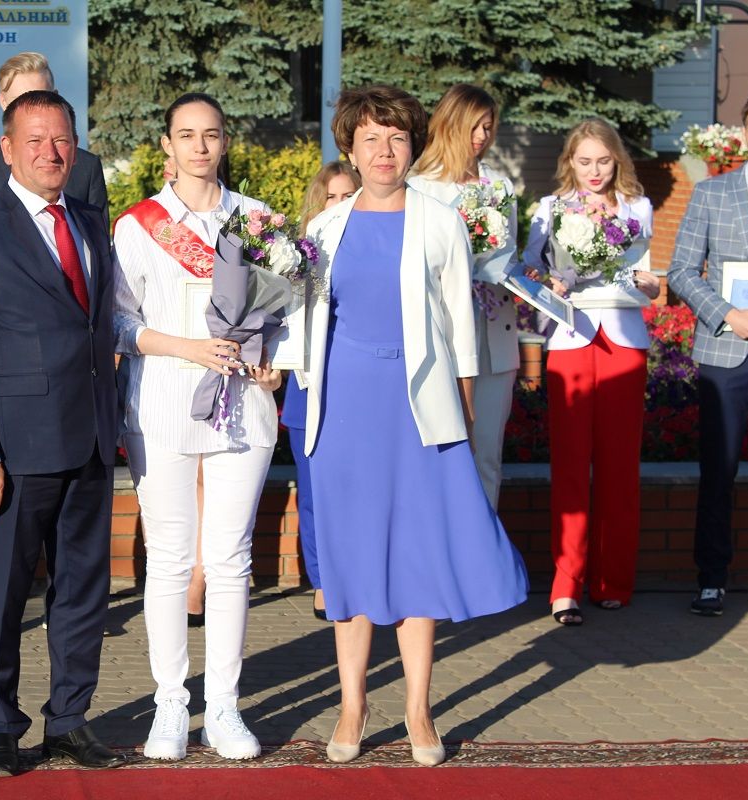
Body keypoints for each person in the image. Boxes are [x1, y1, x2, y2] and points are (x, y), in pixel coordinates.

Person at [302, 85, 528, 766]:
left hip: (419, 407)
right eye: (369, 139)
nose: (383, 151)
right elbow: (306, 321)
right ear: (349, 146)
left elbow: (462, 325)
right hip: (344, 407)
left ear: (413, 147)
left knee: (418, 555)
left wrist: (462, 406)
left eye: (396, 138)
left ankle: (418, 709)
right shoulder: (324, 228)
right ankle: (351, 706)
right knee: (351, 553)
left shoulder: (439, 221)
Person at [0, 90, 121, 777]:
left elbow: (96, 326)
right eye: (36, 140)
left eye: (63, 140)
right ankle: (0, 727)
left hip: (91, 441)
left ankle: (70, 721)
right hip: (12, 453)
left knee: (82, 593)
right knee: (4, 593)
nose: (52, 152)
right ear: (8, 149)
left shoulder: (91, 222)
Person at [114, 93, 281, 762]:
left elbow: (286, 310)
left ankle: (225, 709)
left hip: (244, 403)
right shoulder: (138, 226)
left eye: (211, 135)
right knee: (170, 560)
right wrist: (186, 348)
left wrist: (277, 363)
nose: (200, 147)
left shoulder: (261, 222)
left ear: (225, 141)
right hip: (162, 402)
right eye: (186, 135)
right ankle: (169, 706)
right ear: (167, 145)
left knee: (231, 559)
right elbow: (119, 324)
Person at [522, 118, 661, 625]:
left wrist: (650, 286)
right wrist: (548, 285)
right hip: (571, 342)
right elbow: (528, 272)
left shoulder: (639, 208)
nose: (595, 170)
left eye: (603, 160)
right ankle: (566, 586)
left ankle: (613, 581)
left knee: (620, 469)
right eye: (585, 161)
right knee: (570, 465)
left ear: (617, 159)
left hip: (624, 344)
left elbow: (650, 279)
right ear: (570, 162)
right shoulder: (550, 209)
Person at [410, 84, 520, 509]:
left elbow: (506, 252)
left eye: (488, 127)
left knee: (488, 453)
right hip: (441, 331)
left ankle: (482, 560)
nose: (481, 136)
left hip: (492, 330)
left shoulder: (499, 185)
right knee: (438, 453)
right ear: (451, 125)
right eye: (473, 126)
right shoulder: (420, 186)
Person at [667, 96, 748, 617]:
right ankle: (712, 579)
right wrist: (729, 314)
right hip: (728, 347)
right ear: (743, 133)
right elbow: (680, 270)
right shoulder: (711, 193)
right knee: (719, 469)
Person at [283, 160, 358, 620]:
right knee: (314, 494)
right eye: (331, 196)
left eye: (349, 195)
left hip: (357, 392)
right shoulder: (295, 256)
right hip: (306, 393)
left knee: (355, 493)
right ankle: (324, 581)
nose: (340, 204)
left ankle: (356, 575)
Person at [0, 51, 108, 229]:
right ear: (3, 103)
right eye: (20, 101)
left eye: (41, 98)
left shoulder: (86, 168)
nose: (34, 109)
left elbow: (98, 245)